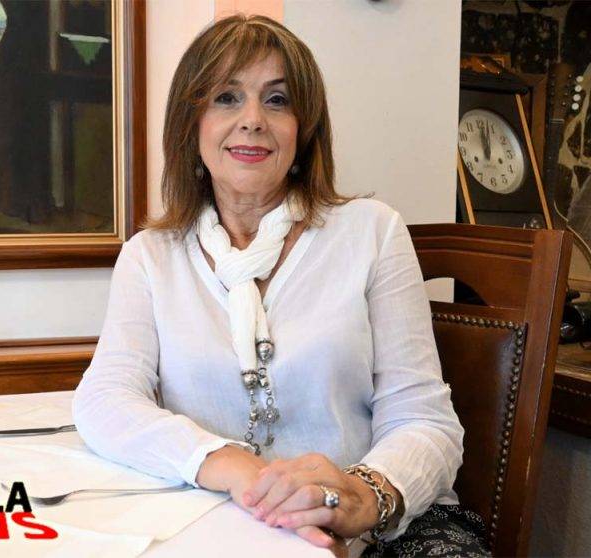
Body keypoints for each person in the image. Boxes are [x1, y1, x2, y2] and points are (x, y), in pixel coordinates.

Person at [73, 14, 489, 557]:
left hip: (382, 523)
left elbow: (424, 420)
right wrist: (233, 468)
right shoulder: (150, 257)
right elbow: (104, 401)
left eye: (277, 100)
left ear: (304, 128)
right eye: (226, 97)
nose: (252, 120)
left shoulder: (373, 232)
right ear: (190, 124)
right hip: (227, 520)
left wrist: (361, 497)